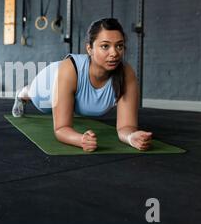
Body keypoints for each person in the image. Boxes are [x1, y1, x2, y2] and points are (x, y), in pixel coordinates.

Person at [12, 18, 152, 152]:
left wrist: (131, 137)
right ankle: (21, 93)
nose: (114, 53)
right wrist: (80, 140)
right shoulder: (69, 70)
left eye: (119, 46)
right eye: (105, 46)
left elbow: (126, 127)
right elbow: (61, 129)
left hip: (69, 83)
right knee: (32, 94)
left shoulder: (127, 74)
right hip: (50, 81)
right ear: (89, 49)